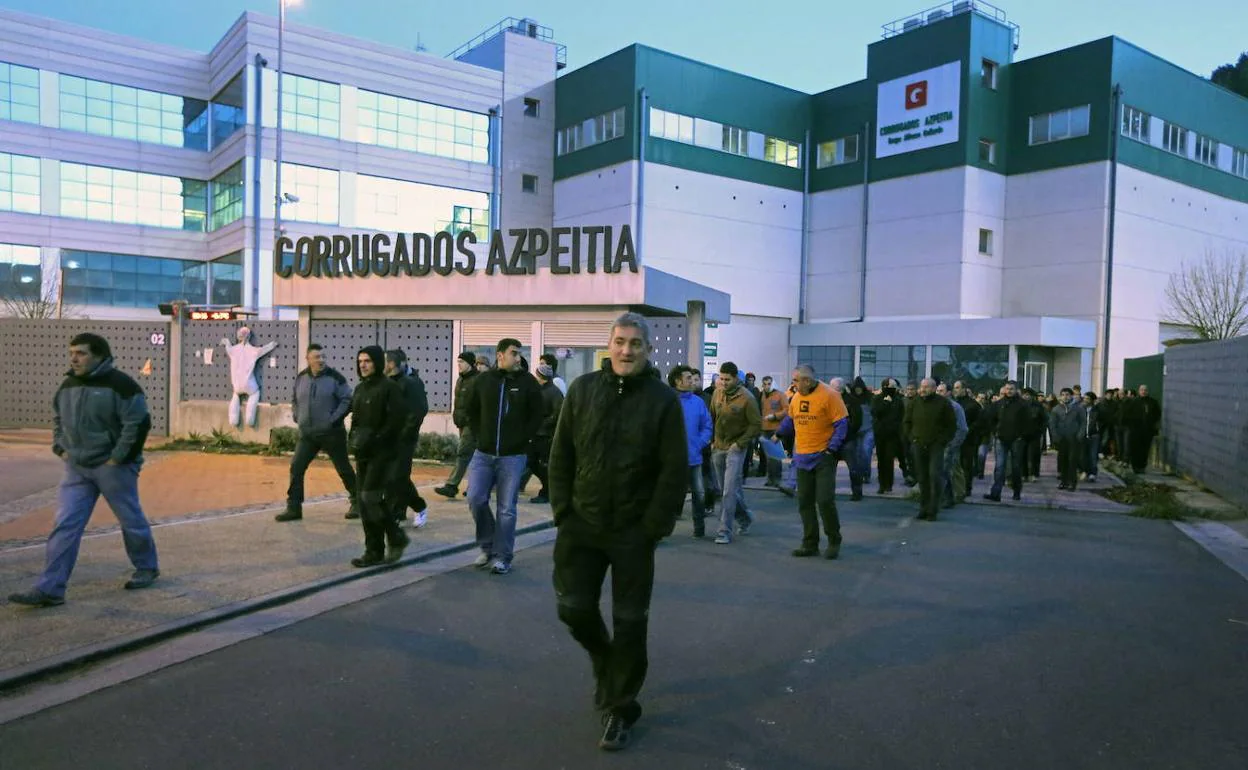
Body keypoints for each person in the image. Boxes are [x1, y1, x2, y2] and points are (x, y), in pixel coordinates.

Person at [549, 313, 686, 752]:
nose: (627, 350)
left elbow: (674, 469)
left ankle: (621, 706)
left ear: (648, 349)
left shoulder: (663, 400)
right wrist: (562, 511)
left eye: (636, 344)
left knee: (630, 622)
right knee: (573, 608)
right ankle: (606, 661)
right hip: (581, 526)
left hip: (633, 532)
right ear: (608, 346)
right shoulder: (583, 390)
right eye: (620, 342)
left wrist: (653, 526)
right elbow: (561, 453)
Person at [9, 334, 160, 607]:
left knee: (130, 519)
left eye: (81, 353)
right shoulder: (68, 385)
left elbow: (137, 423)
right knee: (65, 525)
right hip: (77, 468)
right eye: (72, 353)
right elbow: (57, 418)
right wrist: (61, 448)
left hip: (113, 468)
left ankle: (147, 567)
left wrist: (117, 459)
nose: (74, 358)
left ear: (100, 356)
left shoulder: (122, 385)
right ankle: (51, 588)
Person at [461, 338, 544, 575]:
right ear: (500, 356)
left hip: (513, 456)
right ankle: (488, 546)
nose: (518, 358)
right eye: (514, 353)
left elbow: (537, 415)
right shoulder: (484, 381)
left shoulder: (527, 383)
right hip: (483, 454)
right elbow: (471, 410)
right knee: (476, 498)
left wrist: (523, 440)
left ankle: (502, 556)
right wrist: (480, 437)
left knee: (507, 509)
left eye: (519, 354)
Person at [774, 365, 849, 558]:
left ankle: (834, 540)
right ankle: (810, 543)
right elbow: (791, 420)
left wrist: (831, 449)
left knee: (824, 501)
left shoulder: (830, 395)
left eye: (796, 381)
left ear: (807, 381)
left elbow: (841, 424)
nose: (794, 384)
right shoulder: (796, 397)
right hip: (803, 456)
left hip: (823, 456)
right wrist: (778, 434)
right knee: (804, 502)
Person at [347, 346, 410, 567]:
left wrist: (377, 440)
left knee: (369, 498)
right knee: (366, 504)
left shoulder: (389, 388)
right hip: (363, 453)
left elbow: (396, 421)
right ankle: (375, 549)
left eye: (367, 361)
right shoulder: (360, 389)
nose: (363, 365)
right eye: (360, 361)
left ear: (377, 363)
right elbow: (356, 420)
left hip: (383, 454)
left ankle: (394, 537)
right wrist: (353, 442)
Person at [280, 343, 357, 522]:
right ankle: (294, 508)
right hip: (307, 434)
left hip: (332, 434)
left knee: (343, 469)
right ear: (308, 359)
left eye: (323, 356)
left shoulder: (335, 377)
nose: (321, 360)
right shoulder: (301, 377)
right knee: (296, 468)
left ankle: (357, 503)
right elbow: (295, 398)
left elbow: (347, 399)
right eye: (317, 357)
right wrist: (296, 414)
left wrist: (333, 419)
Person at [709, 362, 760, 544]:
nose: (723, 382)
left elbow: (756, 425)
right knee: (725, 490)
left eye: (727, 379)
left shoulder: (747, 398)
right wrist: (712, 441)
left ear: (736, 378)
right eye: (721, 379)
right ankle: (745, 517)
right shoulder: (717, 393)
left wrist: (740, 444)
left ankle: (724, 531)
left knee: (729, 491)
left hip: (736, 449)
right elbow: (712, 418)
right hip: (718, 447)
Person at [384, 349, 430, 527]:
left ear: (399, 364)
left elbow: (418, 411)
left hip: (403, 439)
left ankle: (416, 508)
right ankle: (397, 512)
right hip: (386, 438)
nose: (385, 366)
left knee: (398, 477)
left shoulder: (412, 383)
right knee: (390, 477)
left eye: (388, 363)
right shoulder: (389, 381)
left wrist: (403, 433)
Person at [670, 365, 713, 537]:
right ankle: (663, 530)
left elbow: (707, 426)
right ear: (677, 381)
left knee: (699, 495)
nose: (692, 381)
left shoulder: (698, 402)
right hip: (673, 459)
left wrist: (698, 443)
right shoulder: (669, 402)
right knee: (670, 496)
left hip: (695, 457)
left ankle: (699, 529)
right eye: (688, 378)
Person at [904, 379, 956, 521]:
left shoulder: (943, 403)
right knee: (922, 477)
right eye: (922, 386)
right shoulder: (914, 402)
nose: (923, 389)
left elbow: (951, 426)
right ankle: (923, 508)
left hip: (936, 446)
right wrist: (912, 438)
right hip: (918, 444)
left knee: (934, 475)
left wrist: (942, 441)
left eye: (926, 387)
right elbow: (907, 422)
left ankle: (933, 509)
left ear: (933, 388)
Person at [435, 352, 479, 500]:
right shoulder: (461, 380)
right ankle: (475, 486)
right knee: (472, 456)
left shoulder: (477, 380)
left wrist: (472, 421)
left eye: (462, 362)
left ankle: (452, 485)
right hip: (462, 423)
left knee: (463, 453)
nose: (459, 364)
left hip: (472, 424)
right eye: (458, 361)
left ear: (470, 363)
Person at [983, 381, 1029, 502]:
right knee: (999, 466)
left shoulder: (1023, 404)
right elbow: (990, 419)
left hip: (1017, 439)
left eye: (1011, 389)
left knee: (1016, 467)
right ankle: (996, 493)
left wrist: (1022, 435)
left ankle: (1016, 492)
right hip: (1001, 438)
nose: (1009, 391)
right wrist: (995, 431)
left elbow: (1029, 422)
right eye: (1007, 389)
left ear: (1016, 390)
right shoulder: (999, 404)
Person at [528, 359, 565, 504]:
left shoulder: (553, 392)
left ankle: (547, 492)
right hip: (537, 434)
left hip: (546, 435)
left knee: (543, 465)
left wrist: (542, 424)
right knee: (532, 462)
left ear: (541, 377)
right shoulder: (540, 390)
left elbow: (558, 414)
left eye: (537, 375)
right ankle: (547, 489)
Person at [935, 382, 967, 510]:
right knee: (947, 469)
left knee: (947, 469)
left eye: (941, 391)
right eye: (937, 390)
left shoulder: (955, 407)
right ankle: (953, 495)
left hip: (950, 443)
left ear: (948, 392)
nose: (938, 393)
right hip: (938, 443)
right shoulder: (935, 406)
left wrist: (953, 444)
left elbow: (962, 428)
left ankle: (950, 497)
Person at [871, 378, 906, 494]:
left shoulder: (898, 400)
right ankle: (882, 484)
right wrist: (886, 403)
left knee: (889, 458)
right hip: (880, 434)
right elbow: (875, 412)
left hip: (893, 434)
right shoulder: (877, 399)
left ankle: (889, 484)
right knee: (881, 459)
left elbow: (901, 416)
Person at [833, 377, 865, 501]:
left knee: (853, 468)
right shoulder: (828, 400)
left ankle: (857, 492)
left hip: (848, 440)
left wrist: (848, 432)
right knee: (829, 469)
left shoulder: (851, 401)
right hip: (832, 440)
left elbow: (857, 421)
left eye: (833, 387)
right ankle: (828, 492)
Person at [1049, 387, 1087, 490]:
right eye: (1063, 395)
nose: (1065, 397)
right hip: (1062, 439)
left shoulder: (1078, 408)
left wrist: (1080, 435)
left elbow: (1083, 423)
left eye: (1067, 395)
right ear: (1060, 396)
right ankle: (1063, 481)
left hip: (1074, 438)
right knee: (1063, 460)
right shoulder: (1056, 409)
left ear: (1071, 396)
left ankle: (1072, 482)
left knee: (1072, 460)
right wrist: (1055, 436)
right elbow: (1052, 424)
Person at [757, 375, 790, 489]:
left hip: (776, 428)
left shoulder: (780, 395)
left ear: (773, 383)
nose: (766, 386)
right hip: (764, 428)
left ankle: (776, 479)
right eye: (765, 384)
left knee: (775, 455)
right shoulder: (762, 395)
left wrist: (775, 416)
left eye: (769, 384)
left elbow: (787, 410)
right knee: (768, 456)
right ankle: (770, 478)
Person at [953, 380, 983, 499]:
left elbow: (979, 422)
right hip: (954, 439)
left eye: (958, 387)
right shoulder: (953, 403)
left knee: (966, 465)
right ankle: (957, 487)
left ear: (964, 389)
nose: (956, 390)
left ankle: (967, 488)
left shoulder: (973, 405)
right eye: (955, 387)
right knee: (955, 464)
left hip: (968, 440)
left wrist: (968, 430)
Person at [1122, 384, 1162, 473]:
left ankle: (1142, 466)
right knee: (1135, 448)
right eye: (1142, 390)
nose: (1143, 392)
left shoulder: (1153, 402)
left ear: (1147, 391)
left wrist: (1153, 425)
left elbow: (1157, 414)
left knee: (1145, 449)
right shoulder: (1133, 402)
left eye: (1145, 390)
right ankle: (1135, 466)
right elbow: (1127, 415)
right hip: (1135, 430)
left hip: (1147, 430)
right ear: (1139, 391)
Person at [1083, 392, 1102, 483]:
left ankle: (1092, 474)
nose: (1085, 400)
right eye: (1085, 398)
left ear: (1092, 400)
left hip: (1094, 435)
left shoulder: (1097, 410)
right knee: (1084, 455)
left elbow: (1101, 422)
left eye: (1087, 399)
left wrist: (1097, 429)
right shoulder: (1081, 409)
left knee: (1093, 455)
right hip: (1083, 435)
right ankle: (1086, 471)